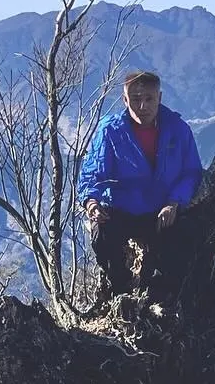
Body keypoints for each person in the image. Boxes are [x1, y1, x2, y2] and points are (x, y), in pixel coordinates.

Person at [78, 70, 203, 296]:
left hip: (161, 209)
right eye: (136, 99)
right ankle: (120, 287)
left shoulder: (177, 129)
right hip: (121, 208)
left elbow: (191, 172)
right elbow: (93, 172)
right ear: (125, 100)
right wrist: (92, 203)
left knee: (187, 237)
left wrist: (174, 202)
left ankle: (162, 296)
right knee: (103, 238)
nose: (143, 106)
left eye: (149, 99)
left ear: (160, 98)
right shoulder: (111, 131)